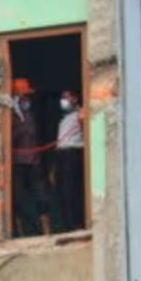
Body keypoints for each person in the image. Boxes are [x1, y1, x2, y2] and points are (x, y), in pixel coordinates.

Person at [6, 79, 48, 237]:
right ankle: (22, 233)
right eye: (22, 96)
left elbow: (43, 133)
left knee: (41, 196)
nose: (25, 100)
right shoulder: (9, 113)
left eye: (26, 97)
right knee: (18, 199)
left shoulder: (35, 111)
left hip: (35, 160)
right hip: (17, 163)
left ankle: (46, 232)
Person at [52, 90, 85, 232]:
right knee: (61, 191)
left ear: (75, 99)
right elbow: (60, 143)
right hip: (61, 155)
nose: (64, 100)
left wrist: (83, 113)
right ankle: (66, 225)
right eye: (62, 97)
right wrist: (53, 167)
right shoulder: (64, 119)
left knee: (71, 190)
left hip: (73, 153)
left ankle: (75, 224)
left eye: (67, 97)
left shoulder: (81, 113)